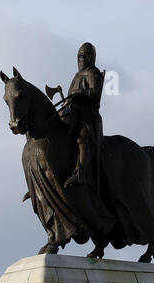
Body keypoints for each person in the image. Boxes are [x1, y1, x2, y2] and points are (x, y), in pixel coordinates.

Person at [62, 42, 104, 191]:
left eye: (86, 55)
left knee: (82, 136)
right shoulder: (77, 75)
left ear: (92, 57)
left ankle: (81, 172)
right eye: (80, 56)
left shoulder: (93, 73)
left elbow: (94, 93)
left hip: (88, 116)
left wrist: (80, 94)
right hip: (73, 113)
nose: (82, 58)